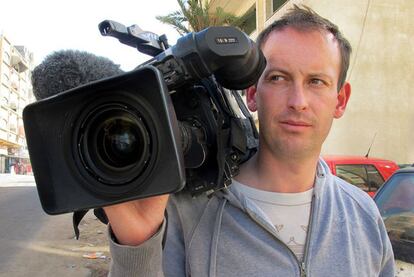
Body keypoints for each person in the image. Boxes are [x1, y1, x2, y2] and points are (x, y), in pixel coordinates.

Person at [103, 5, 395, 276]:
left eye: (316, 81)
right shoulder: (186, 212)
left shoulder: (363, 215)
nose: (298, 101)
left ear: (340, 100)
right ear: (252, 93)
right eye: (279, 78)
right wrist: (136, 248)